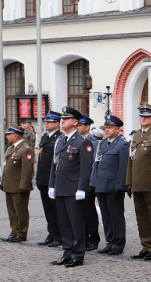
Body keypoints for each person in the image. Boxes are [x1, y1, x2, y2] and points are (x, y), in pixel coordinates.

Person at [48, 107, 95, 268]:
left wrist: (82, 188)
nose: (62, 121)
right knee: (64, 223)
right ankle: (67, 252)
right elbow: (55, 165)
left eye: (66, 119)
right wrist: (51, 185)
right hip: (61, 187)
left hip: (74, 189)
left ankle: (78, 254)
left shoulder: (83, 141)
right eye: (62, 119)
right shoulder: (61, 140)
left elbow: (86, 167)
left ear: (75, 122)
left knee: (76, 223)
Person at [125, 104, 151, 261]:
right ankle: (145, 245)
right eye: (142, 116)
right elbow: (131, 160)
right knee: (141, 216)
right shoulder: (136, 135)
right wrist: (129, 181)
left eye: (147, 116)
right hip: (137, 183)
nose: (144, 118)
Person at [90, 116, 129, 256]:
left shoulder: (122, 144)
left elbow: (123, 167)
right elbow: (97, 164)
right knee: (106, 216)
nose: (107, 130)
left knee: (115, 215)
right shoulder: (102, 144)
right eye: (106, 127)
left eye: (110, 127)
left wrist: (120, 185)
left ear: (118, 130)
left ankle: (118, 243)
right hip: (101, 184)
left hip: (113, 186)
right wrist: (93, 183)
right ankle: (109, 241)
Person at [0, 126, 35, 243]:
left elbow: (27, 170)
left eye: (9, 134)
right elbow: (6, 167)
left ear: (16, 135)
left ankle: (22, 232)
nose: (7, 136)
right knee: (12, 210)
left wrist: (24, 186)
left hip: (19, 186)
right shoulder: (11, 148)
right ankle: (14, 231)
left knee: (21, 210)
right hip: (9, 185)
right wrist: (3, 182)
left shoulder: (25, 149)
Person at [35, 112, 63, 247]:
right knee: (48, 209)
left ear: (57, 124)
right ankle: (51, 233)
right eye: (46, 121)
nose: (47, 123)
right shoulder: (44, 137)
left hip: (54, 179)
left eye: (50, 122)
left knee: (57, 208)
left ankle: (60, 235)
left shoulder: (60, 137)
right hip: (43, 178)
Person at [77, 116, 101, 251]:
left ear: (87, 127)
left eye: (81, 125)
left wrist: (91, 182)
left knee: (89, 211)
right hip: (77, 181)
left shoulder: (93, 142)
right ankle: (83, 237)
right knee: (79, 212)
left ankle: (93, 238)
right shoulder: (76, 141)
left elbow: (93, 163)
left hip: (88, 181)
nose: (78, 127)